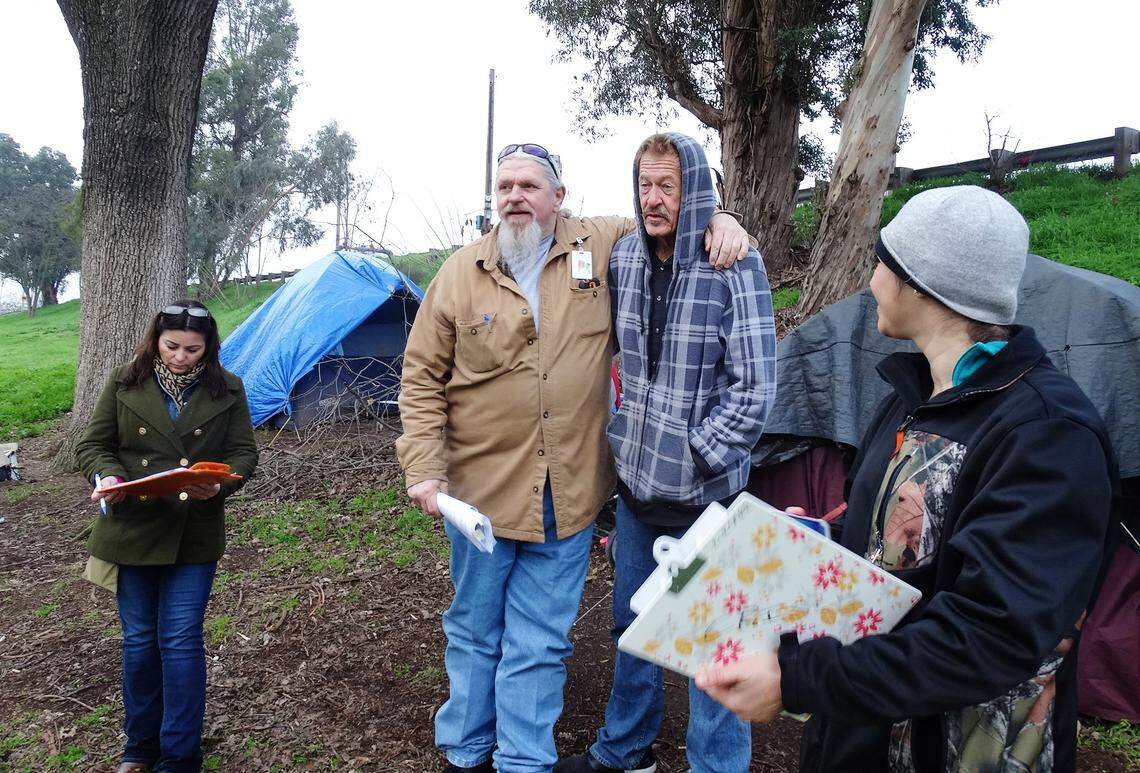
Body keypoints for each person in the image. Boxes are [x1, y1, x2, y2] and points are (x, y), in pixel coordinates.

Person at [694, 185, 1117, 772]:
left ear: (922, 283)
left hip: (962, 751)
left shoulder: (1047, 435)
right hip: (863, 731)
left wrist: (797, 679)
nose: (871, 283)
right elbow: (890, 548)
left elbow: (990, 635)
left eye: (882, 263)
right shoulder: (913, 397)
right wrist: (817, 542)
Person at [396, 143, 751, 773]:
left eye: (530, 185)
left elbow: (674, 208)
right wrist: (424, 465)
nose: (515, 197)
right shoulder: (458, 273)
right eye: (504, 186)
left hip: (569, 490)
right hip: (482, 490)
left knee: (541, 639)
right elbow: (421, 376)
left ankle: (523, 760)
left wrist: (723, 219)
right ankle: (466, 749)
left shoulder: (603, 245)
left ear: (560, 197)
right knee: (475, 630)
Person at [556, 133, 776, 773]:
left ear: (695, 190)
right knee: (633, 635)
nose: (654, 200)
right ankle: (626, 753)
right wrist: (626, 442)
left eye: (668, 187)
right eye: (645, 185)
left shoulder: (734, 265)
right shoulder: (622, 259)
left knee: (716, 653)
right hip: (636, 495)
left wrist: (698, 454)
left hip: (709, 500)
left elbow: (757, 387)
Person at [76, 300, 259, 773]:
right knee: (138, 642)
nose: (181, 357)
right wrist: (109, 477)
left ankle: (179, 755)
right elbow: (94, 444)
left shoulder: (228, 388)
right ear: (156, 340)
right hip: (131, 528)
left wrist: (219, 483)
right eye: (172, 346)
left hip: (192, 533)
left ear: (208, 348)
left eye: (193, 349)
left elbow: (243, 454)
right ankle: (139, 748)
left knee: (180, 641)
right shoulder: (125, 381)